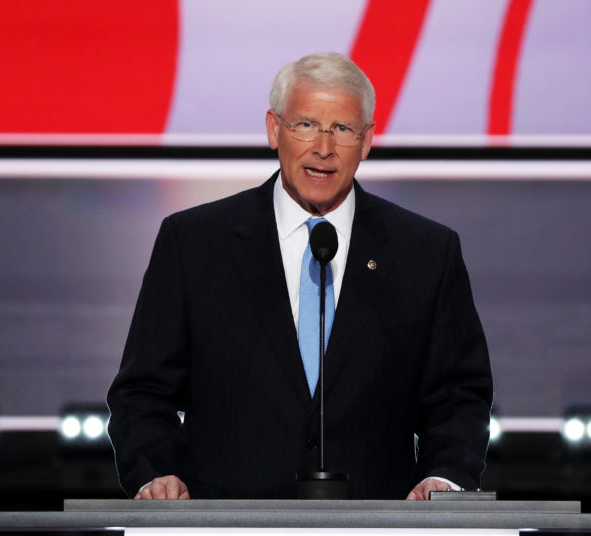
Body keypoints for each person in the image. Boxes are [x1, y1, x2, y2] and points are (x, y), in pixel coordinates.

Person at [106, 52, 492, 501]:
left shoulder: (426, 252)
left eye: (342, 129)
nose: (323, 148)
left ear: (366, 141)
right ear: (274, 129)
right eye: (306, 124)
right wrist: (156, 473)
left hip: (374, 528)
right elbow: (142, 392)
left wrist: (445, 478)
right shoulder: (193, 243)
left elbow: (459, 395)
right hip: (224, 528)